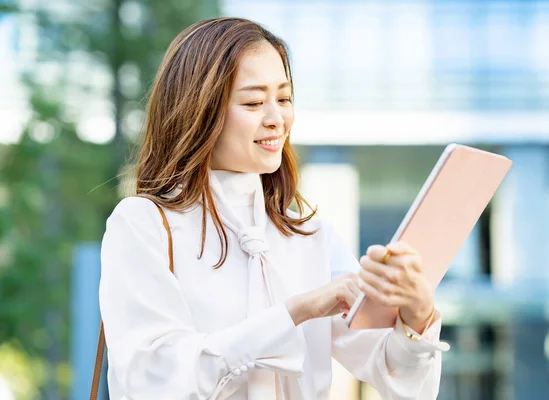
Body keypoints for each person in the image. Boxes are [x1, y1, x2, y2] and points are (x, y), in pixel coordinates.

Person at [99, 17, 448, 400]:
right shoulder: (143, 224)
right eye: (253, 102)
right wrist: (294, 312)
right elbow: (153, 381)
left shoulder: (309, 232)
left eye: (283, 99)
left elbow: (394, 374)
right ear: (199, 110)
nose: (276, 119)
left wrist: (417, 314)